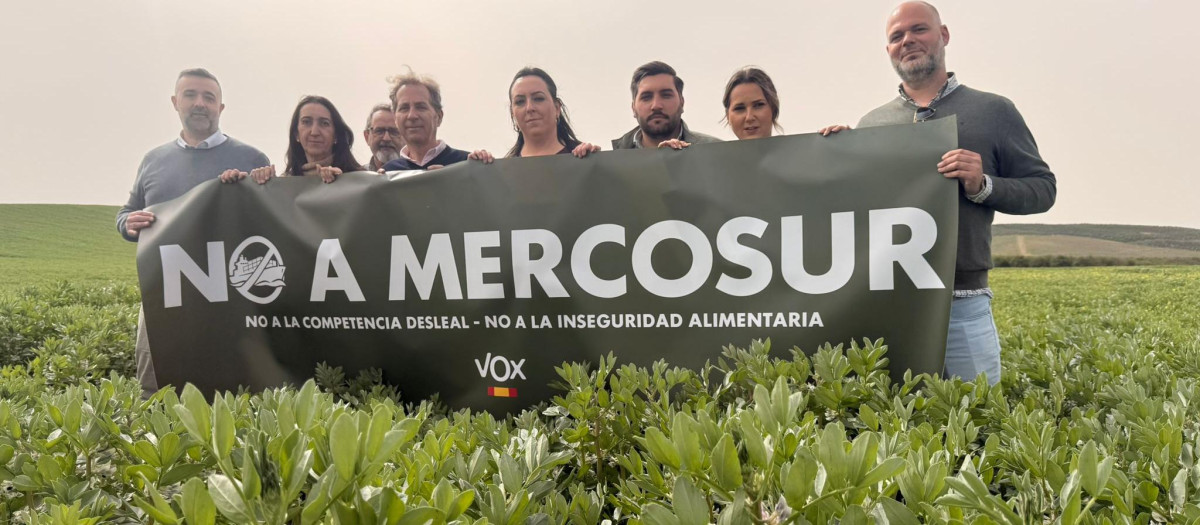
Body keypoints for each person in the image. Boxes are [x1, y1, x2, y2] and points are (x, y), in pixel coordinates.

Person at [822, 1, 1057, 385]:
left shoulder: (995, 111)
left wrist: (984, 186)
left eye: (919, 30)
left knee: (978, 423)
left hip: (963, 302)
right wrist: (832, 154)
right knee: (901, 427)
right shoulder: (871, 124)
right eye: (896, 36)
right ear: (888, 51)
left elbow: (1043, 189)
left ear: (943, 35)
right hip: (889, 302)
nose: (908, 41)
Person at [116, 68, 270, 398]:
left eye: (209, 97)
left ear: (221, 108)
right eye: (191, 95)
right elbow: (127, 213)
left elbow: (268, 223)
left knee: (233, 385)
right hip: (162, 293)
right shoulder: (153, 160)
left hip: (229, 296)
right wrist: (127, 224)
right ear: (175, 102)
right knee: (154, 383)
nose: (200, 104)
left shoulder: (251, 158)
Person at [466, 67, 600, 163]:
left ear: (557, 107)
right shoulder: (504, 173)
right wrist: (478, 170)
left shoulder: (583, 159)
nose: (529, 108)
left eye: (538, 99)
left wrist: (596, 160)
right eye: (520, 102)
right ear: (512, 113)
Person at [224, 96, 361, 184]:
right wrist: (245, 184)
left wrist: (344, 183)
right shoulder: (286, 184)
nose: (314, 132)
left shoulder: (360, 180)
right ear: (296, 134)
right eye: (306, 122)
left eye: (324, 123)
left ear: (336, 135)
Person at [612, 61, 721, 150]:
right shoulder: (612, 163)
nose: (656, 105)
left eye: (666, 95)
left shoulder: (715, 151)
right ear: (633, 108)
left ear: (682, 102)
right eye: (646, 97)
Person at [381, 70, 470, 171]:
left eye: (420, 107)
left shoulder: (467, 165)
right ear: (395, 119)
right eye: (404, 108)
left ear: (439, 116)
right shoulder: (388, 172)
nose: (412, 116)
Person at [722, 67, 783, 140]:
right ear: (728, 116)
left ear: (773, 109)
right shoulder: (711, 151)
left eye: (758, 105)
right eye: (739, 108)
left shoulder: (796, 150)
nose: (749, 118)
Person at [363, 103, 403, 172]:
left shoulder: (417, 176)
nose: (386, 138)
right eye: (379, 131)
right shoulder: (356, 178)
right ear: (367, 137)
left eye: (394, 131)